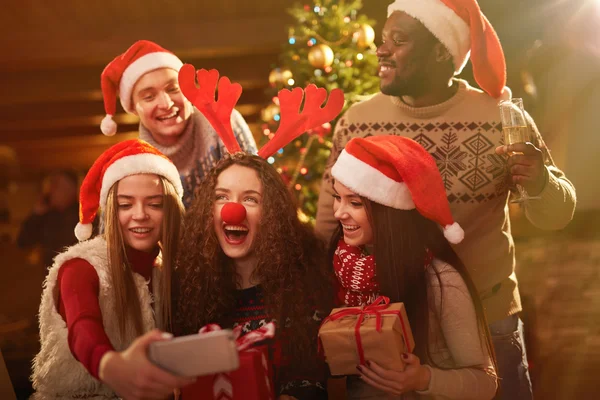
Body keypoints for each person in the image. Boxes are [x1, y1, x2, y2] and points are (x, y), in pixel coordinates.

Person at [315, 1, 577, 398]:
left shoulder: (499, 118)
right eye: (382, 39)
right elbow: (327, 227)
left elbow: (556, 215)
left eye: (398, 40)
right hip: (394, 330)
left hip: (490, 326)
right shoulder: (358, 121)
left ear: (442, 50)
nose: (380, 50)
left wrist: (540, 180)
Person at [173, 68, 345, 399]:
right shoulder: (191, 290)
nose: (231, 210)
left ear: (273, 215)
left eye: (250, 199)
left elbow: (316, 376)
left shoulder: (308, 285)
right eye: (221, 196)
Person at [330, 135, 497, 399]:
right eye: (336, 197)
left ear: (390, 210)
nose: (339, 212)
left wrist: (423, 379)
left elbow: (485, 383)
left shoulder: (440, 278)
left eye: (355, 202)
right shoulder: (339, 264)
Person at [31, 139, 194, 399]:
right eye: (125, 204)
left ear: (170, 210)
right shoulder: (81, 266)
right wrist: (111, 366)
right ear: (110, 211)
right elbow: (83, 327)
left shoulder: (167, 270)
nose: (140, 214)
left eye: (154, 204)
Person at [100, 40, 257, 206]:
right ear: (133, 109)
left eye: (173, 89)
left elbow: (259, 190)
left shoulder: (225, 123)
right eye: (149, 97)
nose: (166, 104)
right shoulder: (135, 163)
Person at [17, 169, 80, 267]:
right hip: (50, 275)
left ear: (71, 190)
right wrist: (36, 215)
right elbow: (23, 242)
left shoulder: (84, 216)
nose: (51, 190)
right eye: (52, 185)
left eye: (57, 186)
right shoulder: (46, 216)